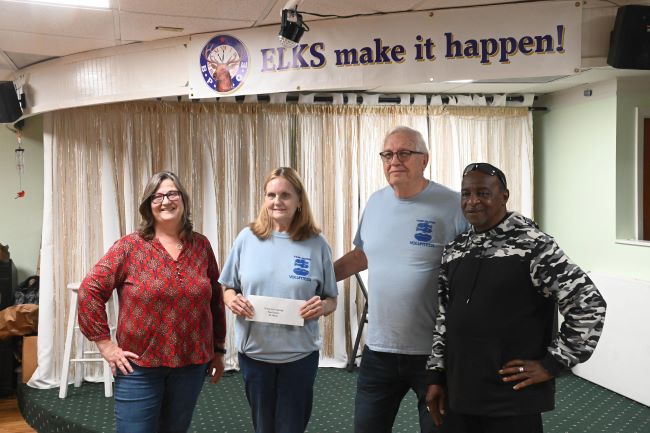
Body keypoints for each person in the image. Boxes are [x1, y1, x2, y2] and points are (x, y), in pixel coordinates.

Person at [425, 162, 607, 433]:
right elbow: (444, 316)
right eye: (466, 193)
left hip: (512, 402)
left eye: (483, 193)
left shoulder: (534, 246)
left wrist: (553, 363)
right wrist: (436, 375)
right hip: (459, 396)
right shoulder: (455, 249)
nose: (473, 201)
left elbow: (589, 303)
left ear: (504, 196)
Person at [334, 126, 467, 433]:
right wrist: (319, 279)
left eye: (404, 153)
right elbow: (362, 255)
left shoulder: (453, 205)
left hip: (432, 354)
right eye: (388, 154)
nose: (395, 160)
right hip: (379, 351)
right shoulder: (376, 202)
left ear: (425, 160)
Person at [77, 171, 226, 433]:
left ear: (183, 200)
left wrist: (218, 350)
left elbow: (214, 299)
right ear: (148, 205)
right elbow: (90, 289)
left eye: (172, 193)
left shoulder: (201, 245)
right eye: (157, 196)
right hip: (139, 367)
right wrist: (105, 344)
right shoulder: (129, 247)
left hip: (191, 365)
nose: (165, 200)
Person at [219, 167, 338, 433]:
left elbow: (331, 298)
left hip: (299, 357)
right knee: (263, 427)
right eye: (271, 195)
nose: (277, 201)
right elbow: (227, 287)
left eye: (285, 195)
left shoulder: (317, 244)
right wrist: (231, 300)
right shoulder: (246, 238)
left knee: (291, 427)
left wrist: (322, 307)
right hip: (255, 356)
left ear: (298, 201)